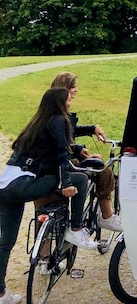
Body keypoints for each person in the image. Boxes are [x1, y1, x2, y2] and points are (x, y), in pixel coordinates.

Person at [1, 88, 97, 304]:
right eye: (68, 100)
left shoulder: (35, 123)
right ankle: (75, 229)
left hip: (5, 186)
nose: (71, 103)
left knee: (5, 242)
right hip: (25, 184)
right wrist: (67, 183)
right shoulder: (57, 121)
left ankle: (0, 293)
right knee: (81, 180)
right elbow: (63, 156)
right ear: (60, 103)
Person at [39, 72, 121, 232]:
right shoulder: (59, 116)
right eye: (73, 87)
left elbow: (63, 136)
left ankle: (43, 255)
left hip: (49, 164)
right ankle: (106, 216)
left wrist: (90, 130)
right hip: (61, 165)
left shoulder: (47, 111)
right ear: (65, 90)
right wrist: (78, 152)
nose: (76, 90)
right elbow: (61, 145)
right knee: (103, 170)